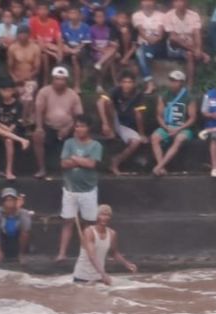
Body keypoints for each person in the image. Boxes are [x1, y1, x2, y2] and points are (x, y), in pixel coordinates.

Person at [56, 112, 102, 260]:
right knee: (67, 221)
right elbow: (63, 163)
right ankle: (62, 254)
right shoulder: (69, 143)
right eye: (77, 126)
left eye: (82, 126)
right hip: (70, 189)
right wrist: (82, 160)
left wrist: (74, 158)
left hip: (88, 190)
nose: (78, 129)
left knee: (88, 223)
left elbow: (92, 164)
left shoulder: (96, 145)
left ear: (88, 128)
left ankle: (86, 254)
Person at [32, 65, 83, 179]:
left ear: (66, 80)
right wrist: (39, 127)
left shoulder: (73, 95)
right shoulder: (44, 92)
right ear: (52, 79)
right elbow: (39, 111)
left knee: (79, 133)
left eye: (62, 79)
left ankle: (75, 167)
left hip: (68, 127)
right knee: (37, 136)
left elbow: (78, 116)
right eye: (57, 79)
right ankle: (42, 168)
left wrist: (68, 128)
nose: (60, 82)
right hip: (49, 126)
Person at [73, 203, 138, 284]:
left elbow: (114, 253)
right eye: (102, 215)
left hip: (98, 277)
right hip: (82, 277)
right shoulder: (89, 232)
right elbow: (92, 256)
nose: (105, 218)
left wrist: (127, 264)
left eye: (107, 215)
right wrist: (103, 274)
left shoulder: (112, 233)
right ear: (97, 216)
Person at [98, 71, 148, 175]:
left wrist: (142, 134)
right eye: (124, 82)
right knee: (107, 101)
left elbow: (138, 115)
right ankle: (111, 129)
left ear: (134, 84)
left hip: (127, 125)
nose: (127, 85)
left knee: (136, 142)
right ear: (120, 83)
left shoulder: (138, 94)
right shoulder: (115, 90)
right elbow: (100, 103)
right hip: (114, 120)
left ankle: (115, 162)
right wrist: (105, 123)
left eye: (129, 82)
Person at [150, 69, 195, 176]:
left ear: (181, 82)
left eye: (176, 81)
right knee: (154, 137)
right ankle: (161, 167)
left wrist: (178, 129)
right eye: (172, 80)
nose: (173, 83)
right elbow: (159, 115)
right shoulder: (164, 95)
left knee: (179, 139)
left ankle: (159, 167)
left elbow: (192, 118)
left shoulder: (189, 97)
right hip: (167, 126)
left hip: (183, 128)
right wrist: (166, 127)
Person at [162, 0, 208, 85]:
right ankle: (201, 54)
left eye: (182, 1)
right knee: (173, 39)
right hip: (174, 47)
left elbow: (197, 33)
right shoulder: (168, 16)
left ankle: (190, 85)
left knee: (190, 55)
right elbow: (173, 37)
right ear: (173, 3)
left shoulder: (194, 15)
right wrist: (197, 51)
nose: (179, 4)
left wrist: (198, 48)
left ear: (186, 3)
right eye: (176, 1)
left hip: (190, 45)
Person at [0, 82, 31, 179]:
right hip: (1, 129)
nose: (6, 93)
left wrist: (10, 129)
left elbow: (17, 121)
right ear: (0, 91)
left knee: (9, 141)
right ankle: (22, 140)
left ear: (13, 91)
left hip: (14, 130)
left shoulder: (18, 104)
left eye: (8, 91)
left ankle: (9, 171)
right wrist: (5, 128)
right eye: (4, 91)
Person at [0, 187, 32, 263]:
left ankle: (21, 254)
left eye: (12, 200)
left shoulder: (24, 213)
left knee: (25, 233)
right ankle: (0, 253)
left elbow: (26, 228)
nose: (9, 202)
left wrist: (17, 210)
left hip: (18, 238)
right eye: (7, 200)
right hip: (4, 238)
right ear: (3, 202)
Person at [7, 24, 42, 115]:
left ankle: (26, 120)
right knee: (20, 94)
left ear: (28, 34)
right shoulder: (12, 48)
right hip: (17, 80)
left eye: (24, 33)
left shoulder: (35, 48)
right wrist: (14, 78)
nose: (22, 36)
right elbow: (10, 68)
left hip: (30, 79)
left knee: (27, 96)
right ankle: (20, 119)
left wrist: (28, 77)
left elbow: (37, 69)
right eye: (20, 34)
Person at [131, 0, 165, 91]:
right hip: (143, 43)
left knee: (140, 55)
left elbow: (160, 34)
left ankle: (145, 82)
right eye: (145, 1)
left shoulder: (161, 16)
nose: (147, 3)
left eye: (150, 1)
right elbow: (141, 31)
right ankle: (150, 82)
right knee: (141, 53)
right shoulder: (136, 15)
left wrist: (154, 40)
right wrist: (149, 39)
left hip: (157, 44)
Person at [28, 2, 61, 83]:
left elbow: (59, 38)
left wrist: (60, 51)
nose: (42, 12)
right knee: (43, 55)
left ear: (48, 11)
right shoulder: (32, 21)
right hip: (37, 47)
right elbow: (30, 39)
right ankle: (44, 81)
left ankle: (47, 81)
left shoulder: (54, 22)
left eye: (45, 9)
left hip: (50, 48)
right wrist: (43, 44)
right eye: (40, 9)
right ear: (37, 11)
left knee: (49, 52)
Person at [59, 5, 91, 88]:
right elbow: (62, 41)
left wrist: (76, 50)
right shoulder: (63, 25)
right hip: (68, 47)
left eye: (75, 13)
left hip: (81, 48)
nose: (72, 15)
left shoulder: (85, 26)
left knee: (74, 57)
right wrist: (68, 49)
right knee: (61, 54)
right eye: (70, 13)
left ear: (79, 15)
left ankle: (77, 85)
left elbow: (85, 43)